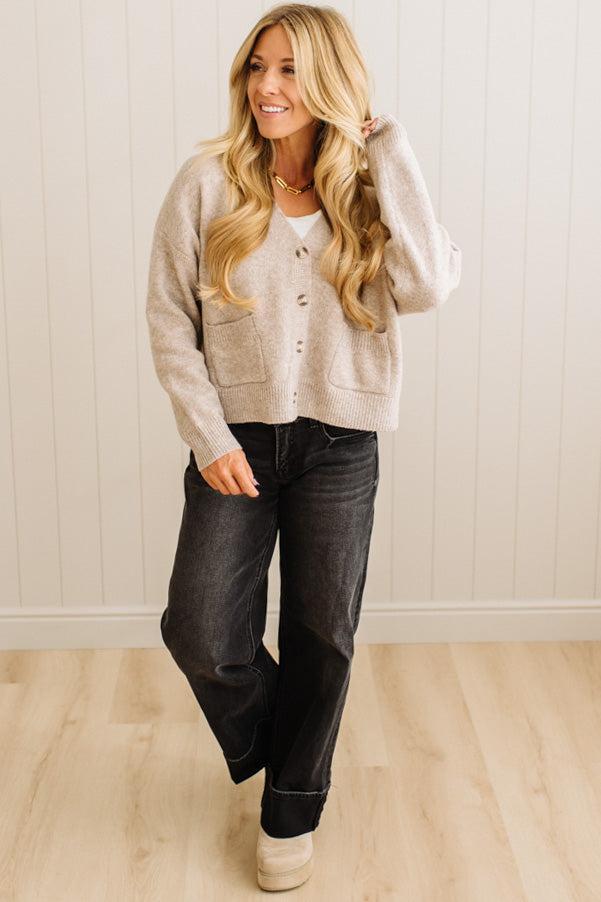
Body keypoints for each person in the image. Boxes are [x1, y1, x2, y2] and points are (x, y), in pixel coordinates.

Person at [145, 2, 461, 892]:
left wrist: (384, 148)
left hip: (339, 442)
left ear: (326, 81)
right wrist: (207, 433)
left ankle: (291, 804)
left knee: (323, 633)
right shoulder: (206, 182)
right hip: (233, 442)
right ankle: (296, 742)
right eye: (258, 68)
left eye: (288, 70)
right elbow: (170, 318)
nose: (268, 88)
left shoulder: (370, 190)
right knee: (203, 633)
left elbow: (429, 283)